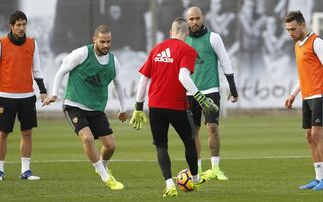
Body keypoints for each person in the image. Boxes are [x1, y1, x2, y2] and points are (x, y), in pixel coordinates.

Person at [130, 17, 216, 197]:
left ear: (171, 32)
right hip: (176, 106)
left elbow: (144, 80)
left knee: (161, 146)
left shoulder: (156, 49)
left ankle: (169, 185)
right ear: (187, 33)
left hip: (155, 106)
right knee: (190, 141)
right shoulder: (187, 49)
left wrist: (138, 107)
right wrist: (201, 98)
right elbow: (183, 77)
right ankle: (193, 179)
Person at [43, 25, 127, 190]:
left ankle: (102, 165)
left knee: (110, 146)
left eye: (108, 42)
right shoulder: (81, 54)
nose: (105, 45)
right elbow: (61, 71)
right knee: (87, 138)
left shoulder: (113, 61)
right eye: (102, 41)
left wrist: (123, 109)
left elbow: (118, 85)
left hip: (96, 109)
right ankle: (106, 177)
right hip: (74, 105)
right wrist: (54, 94)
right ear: (94, 40)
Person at [284, 10, 323, 191]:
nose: (290, 33)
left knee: (317, 135)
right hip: (307, 96)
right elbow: (304, 74)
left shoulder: (317, 42)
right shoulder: (298, 45)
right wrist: (293, 94)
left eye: (293, 29)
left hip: (320, 96)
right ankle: (318, 177)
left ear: (302, 25)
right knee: (309, 136)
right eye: (288, 30)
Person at [185, 6, 238, 180]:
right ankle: (197, 169)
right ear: (187, 21)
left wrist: (233, 87)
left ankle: (215, 168)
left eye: (197, 18)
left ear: (203, 18)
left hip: (210, 91)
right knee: (193, 132)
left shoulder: (214, 38)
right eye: (191, 19)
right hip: (190, 93)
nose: (194, 22)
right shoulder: (183, 40)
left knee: (212, 127)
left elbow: (225, 62)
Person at [0, 10, 47, 181]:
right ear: (11, 26)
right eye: (18, 25)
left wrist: (42, 91)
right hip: (5, 96)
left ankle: (25, 171)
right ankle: (0, 170)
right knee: (2, 134)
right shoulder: (1, 43)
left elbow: (37, 70)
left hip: (27, 96)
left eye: (24, 24)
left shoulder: (32, 44)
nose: (21, 28)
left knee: (27, 133)